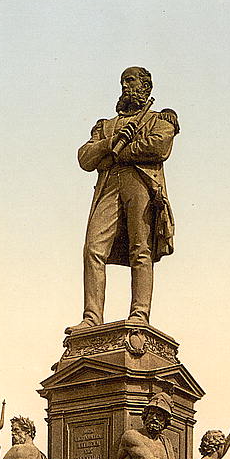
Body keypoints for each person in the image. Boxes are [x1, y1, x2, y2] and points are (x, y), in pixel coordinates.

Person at [68, 66, 179, 333]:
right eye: (122, 81)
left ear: (145, 87)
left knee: (141, 250)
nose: (125, 86)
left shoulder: (160, 119)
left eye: (131, 80)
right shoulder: (105, 126)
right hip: (108, 186)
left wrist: (120, 153)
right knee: (93, 248)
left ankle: (139, 314)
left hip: (140, 182)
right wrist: (110, 143)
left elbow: (158, 147)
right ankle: (92, 317)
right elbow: (85, 157)